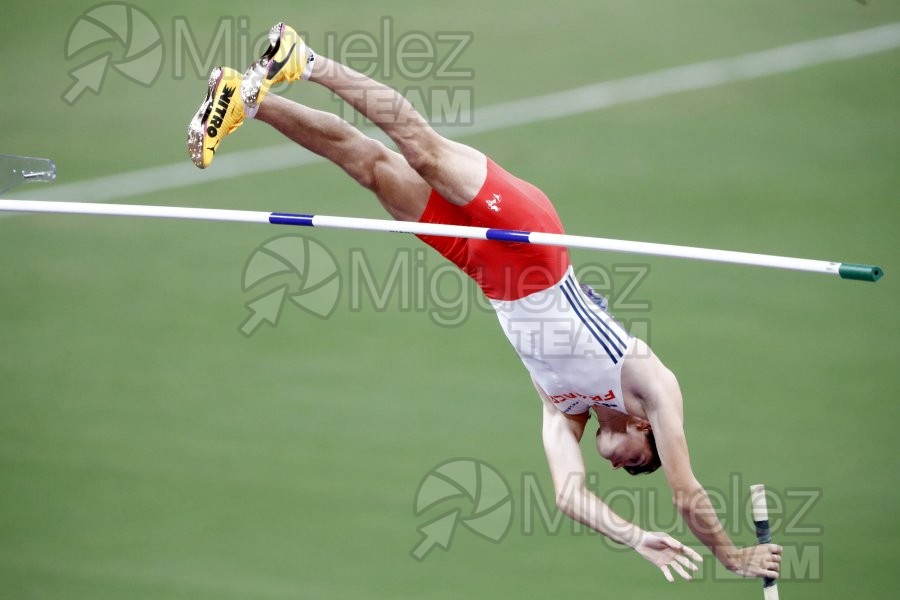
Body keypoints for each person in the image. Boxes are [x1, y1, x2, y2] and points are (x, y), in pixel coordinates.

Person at [187, 22, 782, 584]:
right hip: (534, 248)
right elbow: (686, 491)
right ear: (647, 432)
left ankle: (249, 100)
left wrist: (632, 537)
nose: (617, 467)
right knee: (422, 151)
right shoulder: (651, 384)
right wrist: (729, 556)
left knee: (370, 167)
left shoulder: (561, 415)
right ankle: (305, 59)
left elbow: (568, 497)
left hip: (483, 270)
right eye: (633, 463)